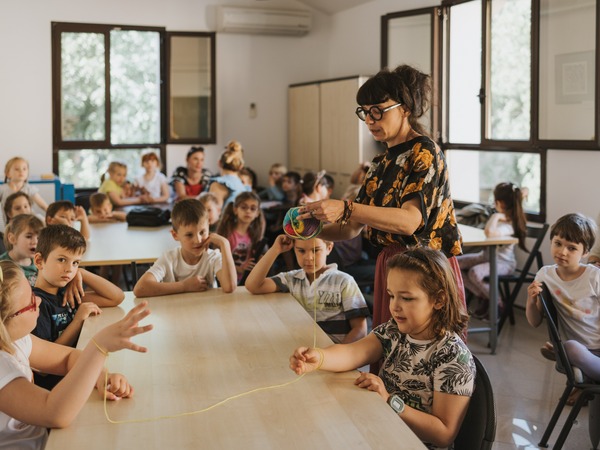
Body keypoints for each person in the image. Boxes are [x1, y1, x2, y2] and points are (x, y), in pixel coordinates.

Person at [298, 65, 464, 337]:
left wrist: (347, 206)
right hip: (391, 266)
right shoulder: (380, 163)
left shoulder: (423, 152)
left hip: (424, 270)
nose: (370, 120)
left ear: (405, 108)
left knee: (422, 357)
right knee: (388, 352)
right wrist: (306, 229)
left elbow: (410, 222)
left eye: (378, 110)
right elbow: (351, 228)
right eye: (365, 111)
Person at [288, 247, 474, 449]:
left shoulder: (453, 357)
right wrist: (318, 357)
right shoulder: (394, 331)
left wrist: (388, 400)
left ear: (439, 300)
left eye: (407, 298)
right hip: (381, 430)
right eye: (391, 296)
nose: (394, 306)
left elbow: (443, 434)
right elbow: (352, 353)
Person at [0, 259, 152, 448]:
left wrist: (102, 376)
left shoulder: (17, 339)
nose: (38, 300)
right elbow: (54, 413)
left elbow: (68, 359)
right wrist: (99, 347)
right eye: (30, 302)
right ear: (5, 321)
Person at [32, 224, 125, 389]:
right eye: (62, 260)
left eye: (75, 262)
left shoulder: (66, 293)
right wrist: (77, 321)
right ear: (39, 261)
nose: (69, 269)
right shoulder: (36, 304)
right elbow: (43, 367)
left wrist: (81, 273)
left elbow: (116, 297)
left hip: (79, 371)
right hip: (57, 386)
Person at [526, 213, 600, 405]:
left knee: (568, 348)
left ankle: (581, 374)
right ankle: (571, 361)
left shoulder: (594, 277)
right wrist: (530, 298)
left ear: (585, 252)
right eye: (558, 243)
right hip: (578, 348)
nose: (562, 252)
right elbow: (534, 322)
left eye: (572, 248)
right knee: (571, 348)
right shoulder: (545, 275)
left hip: (598, 348)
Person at [246, 234, 369, 344]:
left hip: (333, 356)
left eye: (316, 250)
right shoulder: (291, 279)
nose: (308, 257)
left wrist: (337, 354)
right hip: (301, 352)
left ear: (329, 248)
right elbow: (254, 286)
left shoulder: (344, 282)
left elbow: (360, 329)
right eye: (301, 251)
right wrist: (276, 249)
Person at [133, 199, 236, 297]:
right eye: (189, 235)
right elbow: (140, 289)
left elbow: (229, 287)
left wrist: (225, 244)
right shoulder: (169, 258)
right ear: (175, 235)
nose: (198, 240)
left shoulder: (212, 257)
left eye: (202, 232)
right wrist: (184, 286)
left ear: (209, 226)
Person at [457, 182, 528, 319]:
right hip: (485, 257)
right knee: (453, 265)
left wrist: (496, 216)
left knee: (474, 272)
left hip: (503, 264)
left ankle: (498, 302)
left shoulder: (510, 224)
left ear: (499, 202)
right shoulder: (503, 220)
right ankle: (483, 296)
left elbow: (489, 232)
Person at [216, 192, 266, 285]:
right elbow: (219, 263)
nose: (248, 211)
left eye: (253, 208)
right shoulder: (228, 234)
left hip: (246, 281)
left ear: (257, 213)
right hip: (226, 281)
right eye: (244, 207)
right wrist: (240, 269)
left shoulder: (255, 235)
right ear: (235, 210)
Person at [0, 157, 48, 233]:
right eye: (17, 169)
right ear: (8, 173)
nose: (21, 171)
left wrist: (53, 216)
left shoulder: (29, 189)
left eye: (24, 169)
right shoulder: (2, 189)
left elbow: (44, 206)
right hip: (10, 224)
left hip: (29, 222)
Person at [0, 214, 45, 286]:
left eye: (38, 238)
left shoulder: (40, 262)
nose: (35, 241)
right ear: (12, 239)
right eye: (29, 236)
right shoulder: (2, 264)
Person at [208, 140, 251, 208]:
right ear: (241, 166)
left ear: (219, 163)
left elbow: (213, 214)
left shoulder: (218, 185)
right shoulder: (245, 187)